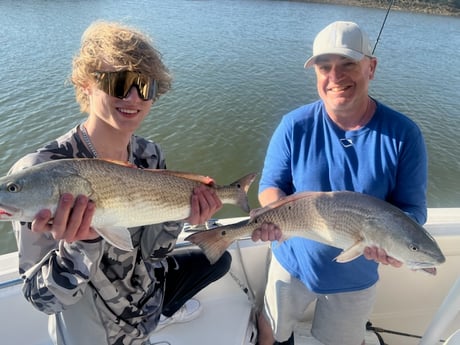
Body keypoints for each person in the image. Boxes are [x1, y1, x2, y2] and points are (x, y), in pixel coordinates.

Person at [10, 21, 278, 345]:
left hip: (145, 319)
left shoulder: (149, 154)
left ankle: (166, 313)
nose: (134, 97)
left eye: (145, 86)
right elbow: (43, 300)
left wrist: (182, 217)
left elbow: (153, 255)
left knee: (219, 259)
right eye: (120, 82)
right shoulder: (39, 171)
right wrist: (83, 245)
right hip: (94, 335)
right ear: (85, 84)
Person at [256, 21, 427, 345]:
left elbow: (413, 210)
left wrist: (394, 242)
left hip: (357, 278)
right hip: (292, 262)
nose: (335, 77)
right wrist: (275, 215)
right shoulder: (294, 125)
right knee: (270, 331)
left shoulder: (404, 135)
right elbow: (270, 185)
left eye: (347, 64)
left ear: (371, 67)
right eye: (324, 67)